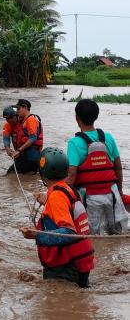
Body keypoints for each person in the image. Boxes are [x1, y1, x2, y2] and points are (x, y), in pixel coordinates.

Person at [20, 147, 94, 288]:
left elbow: (69, 232)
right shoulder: (69, 189)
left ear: (42, 174)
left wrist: (36, 235)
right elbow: (67, 210)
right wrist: (46, 201)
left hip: (67, 266)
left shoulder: (56, 197)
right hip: (81, 262)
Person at [67, 99, 128, 235]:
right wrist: (120, 192)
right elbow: (118, 167)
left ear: (77, 118)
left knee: (92, 236)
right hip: (112, 195)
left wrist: (61, 194)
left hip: (89, 197)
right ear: (96, 116)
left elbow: (72, 175)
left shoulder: (74, 143)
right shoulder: (108, 138)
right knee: (115, 235)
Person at [11, 99, 43, 173]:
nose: (17, 111)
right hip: (26, 157)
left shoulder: (31, 120)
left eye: (18, 109)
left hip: (31, 157)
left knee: (10, 175)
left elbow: (33, 138)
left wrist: (18, 150)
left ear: (25, 107)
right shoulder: (24, 121)